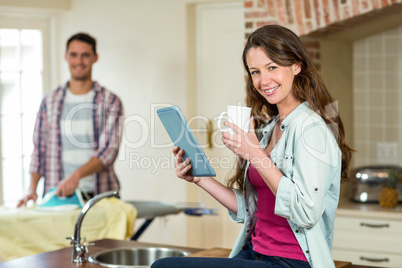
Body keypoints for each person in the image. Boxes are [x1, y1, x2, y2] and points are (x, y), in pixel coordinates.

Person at [152, 25, 353, 268]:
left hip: (291, 262)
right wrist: (199, 179)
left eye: (272, 68)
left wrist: (255, 154)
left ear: (296, 66)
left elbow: (307, 213)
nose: (263, 80)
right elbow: (251, 209)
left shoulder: (312, 129)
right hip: (254, 252)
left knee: (164, 267)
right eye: (255, 71)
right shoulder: (270, 129)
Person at [17, 33, 124, 206]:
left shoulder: (110, 101)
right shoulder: (50, 100)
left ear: (95, 58)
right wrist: (32, 189)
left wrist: (76, 176)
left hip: (99, 194)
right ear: (66, 56)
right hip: (57, 195)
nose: (79, 61)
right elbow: (39, 149)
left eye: (85, 55)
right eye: (73, 55)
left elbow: (108, 151)